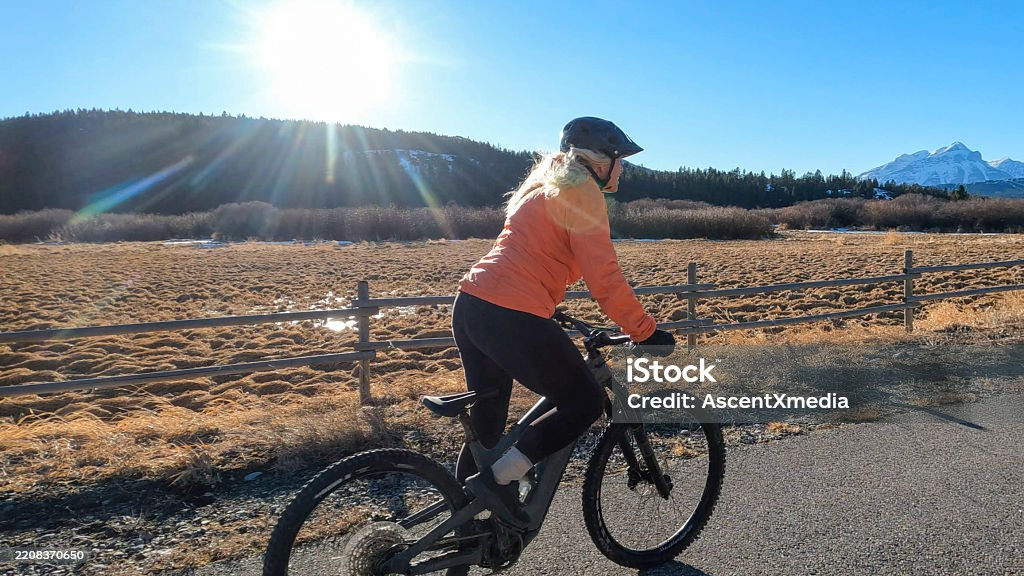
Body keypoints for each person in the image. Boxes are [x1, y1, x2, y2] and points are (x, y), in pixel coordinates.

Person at [452, 117, 676, 523]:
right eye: (619, 159)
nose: (622, 168)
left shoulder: (540, 188)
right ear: (600, 160)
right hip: (510, 312)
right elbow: (604, 276)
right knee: (585, 401)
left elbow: (525, 255)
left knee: (489, 422)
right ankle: (498, 483)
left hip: (472, 305)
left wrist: (547, 302)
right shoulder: (582, 192)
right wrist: (644, 330)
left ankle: (463, 521)